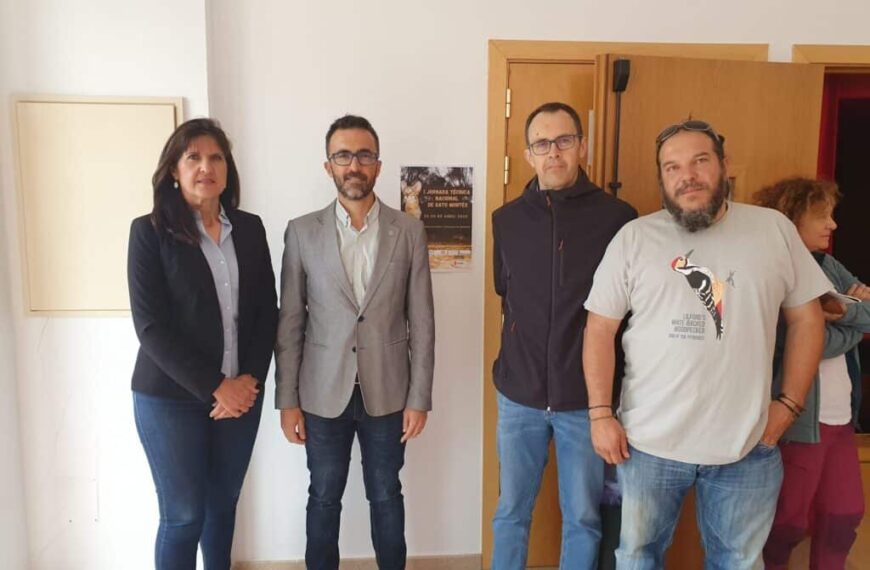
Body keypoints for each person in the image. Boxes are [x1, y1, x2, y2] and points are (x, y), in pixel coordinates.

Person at [583, 119, 831, 569]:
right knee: (637, 557)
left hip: (747, 447)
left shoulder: (772, 230)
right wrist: (600, 414)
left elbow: (808, 319)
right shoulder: (635, 239)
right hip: (647, 445)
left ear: (723, 165)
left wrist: (789, 404)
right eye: (672, 167)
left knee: (737, 562)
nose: (688, 175)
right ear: (662, 178)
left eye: (700, 161)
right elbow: (599, 329)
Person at [275, 115, 435, 570]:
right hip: (322, 393)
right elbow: (290, 322)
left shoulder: (409, 232)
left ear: (378, 165)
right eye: (343, 155)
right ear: (328, 166)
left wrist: (419, 397)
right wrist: (287, 400)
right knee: (323, 496)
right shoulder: (302, 232)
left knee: (386, 495)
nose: (354, 165)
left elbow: (422, 320)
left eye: (364, 155)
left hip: (388, 392)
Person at [490, 101, 636, 569]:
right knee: (511, 512)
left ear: (583, 146)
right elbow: (505, 293)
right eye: (542, 144)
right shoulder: (506, 220)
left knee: (584, 518)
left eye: (564, 141)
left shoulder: (618, 218)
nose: (554, 153)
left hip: (585, 401)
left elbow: (628, 310)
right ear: (529, 153)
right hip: (519, 396)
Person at [127, 118, 278, 569]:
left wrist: (248, 380)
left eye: (215, 157)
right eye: (193, 157)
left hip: (241, 394)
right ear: (174, 169)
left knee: (221, 507)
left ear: (227, 169)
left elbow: (265, 312)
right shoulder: (148, 232)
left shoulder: (249, 229)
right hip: (169, 398)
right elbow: (150, 327)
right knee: (184, 516)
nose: (205, 167)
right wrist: (218, 386)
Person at [755, 177, 870, 568]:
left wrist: (846, 314)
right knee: (787, 522)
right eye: (822, 215)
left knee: (844, 516)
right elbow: (808, 343)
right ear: (791, 219)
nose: (833, 225)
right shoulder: (772, 269)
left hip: (841, 421)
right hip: (800, 421)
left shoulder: (827, 265)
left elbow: (865, 314)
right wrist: (843, 322)